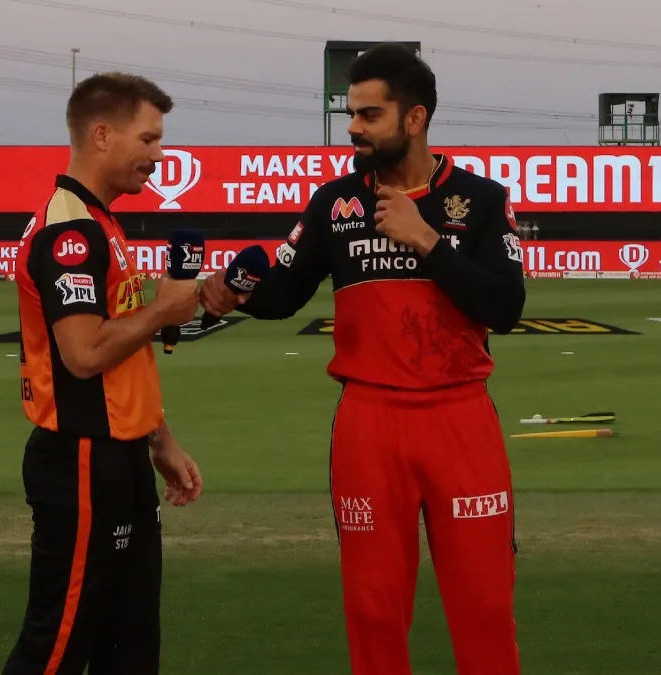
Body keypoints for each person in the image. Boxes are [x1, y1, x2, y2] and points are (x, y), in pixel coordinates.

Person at [200, 44, 526, 675]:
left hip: (460, 419)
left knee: (483, 605)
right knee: (374, 611)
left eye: (369, 115)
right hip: (369, 425)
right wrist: (229, 295)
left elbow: (506, 307)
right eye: (351, 113)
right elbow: (283, 296)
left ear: (415, 118)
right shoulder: (334, 203)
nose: (352, 127)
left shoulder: (482, 200)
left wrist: (427, 239)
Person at [4, 71, 204, 675]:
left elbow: (124, 357)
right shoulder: (72, 230)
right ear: (101, 135)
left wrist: (159, 439)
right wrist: (165, 309)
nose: (158, 155)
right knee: (58, 647)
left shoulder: (103, 223)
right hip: (83, 461)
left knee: (130, 647)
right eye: (147, 139)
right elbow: (85, 354)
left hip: (119, 457)